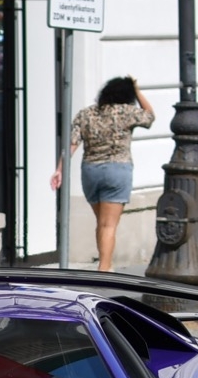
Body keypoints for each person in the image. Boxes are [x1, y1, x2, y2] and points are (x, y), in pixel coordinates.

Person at [50, 75, 154, 271]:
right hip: (117, 170)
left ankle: (105, 264)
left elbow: (71, 144)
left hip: (91, 171)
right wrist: (137, 90)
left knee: (102, 223)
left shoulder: (86, 114)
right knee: (108, 225)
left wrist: (59, 169)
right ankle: (104, 268)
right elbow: (149, 116)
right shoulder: (126, 112)